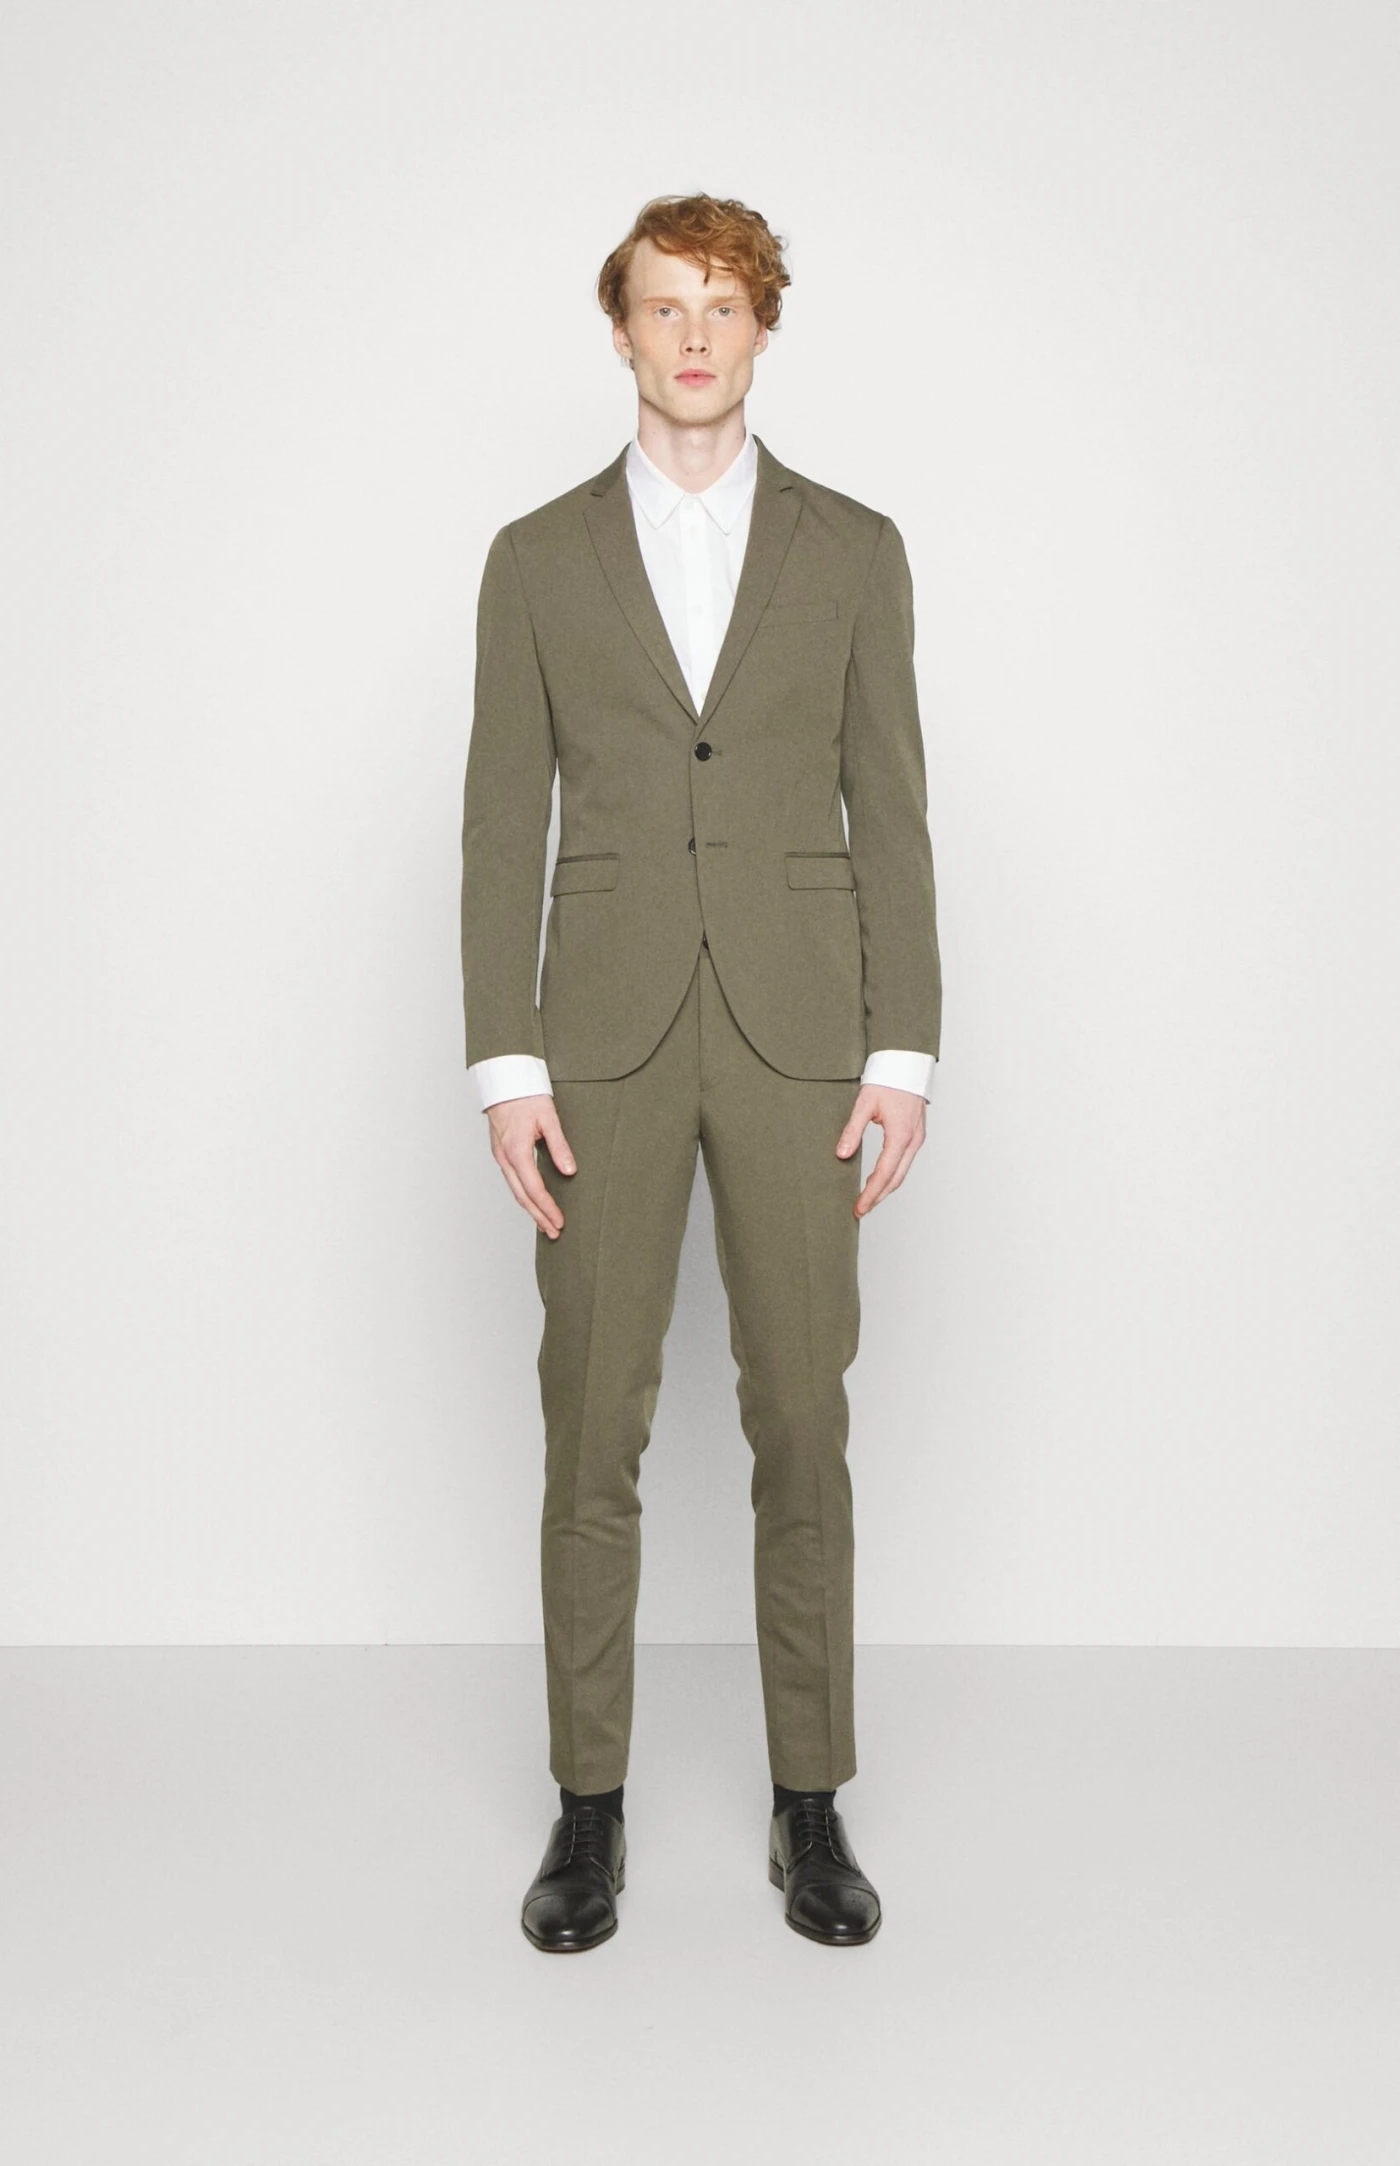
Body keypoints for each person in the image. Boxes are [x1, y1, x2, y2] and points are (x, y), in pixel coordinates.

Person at [460, 193, 941, 1952]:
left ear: (762, 330)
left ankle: (810, 1800)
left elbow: (891, 804)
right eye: (663, 306)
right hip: (598, 1040)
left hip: (803, 1032)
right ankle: (587, 1807)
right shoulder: (535, 558)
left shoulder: (855, 548)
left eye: (722, 307)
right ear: (621, 330)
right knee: (591, 1420)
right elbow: (500, 819)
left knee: (802, 1416)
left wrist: (905, 1046)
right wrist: (505, 1060)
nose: (691, 336)